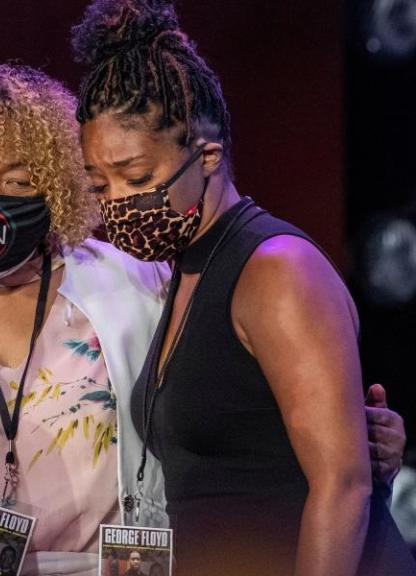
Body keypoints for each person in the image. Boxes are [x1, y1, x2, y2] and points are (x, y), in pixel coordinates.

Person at [0, 63, 407, 576]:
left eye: (17, 181)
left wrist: (358, 436)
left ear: (59, 180)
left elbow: (232, 401)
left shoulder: (137, 279)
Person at [71, 1, 415, 575]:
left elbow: (344, 485)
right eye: (99, 184)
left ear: (207, 156)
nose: (117, 203)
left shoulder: (278, 268)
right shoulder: (179, 270)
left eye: (135, 178)